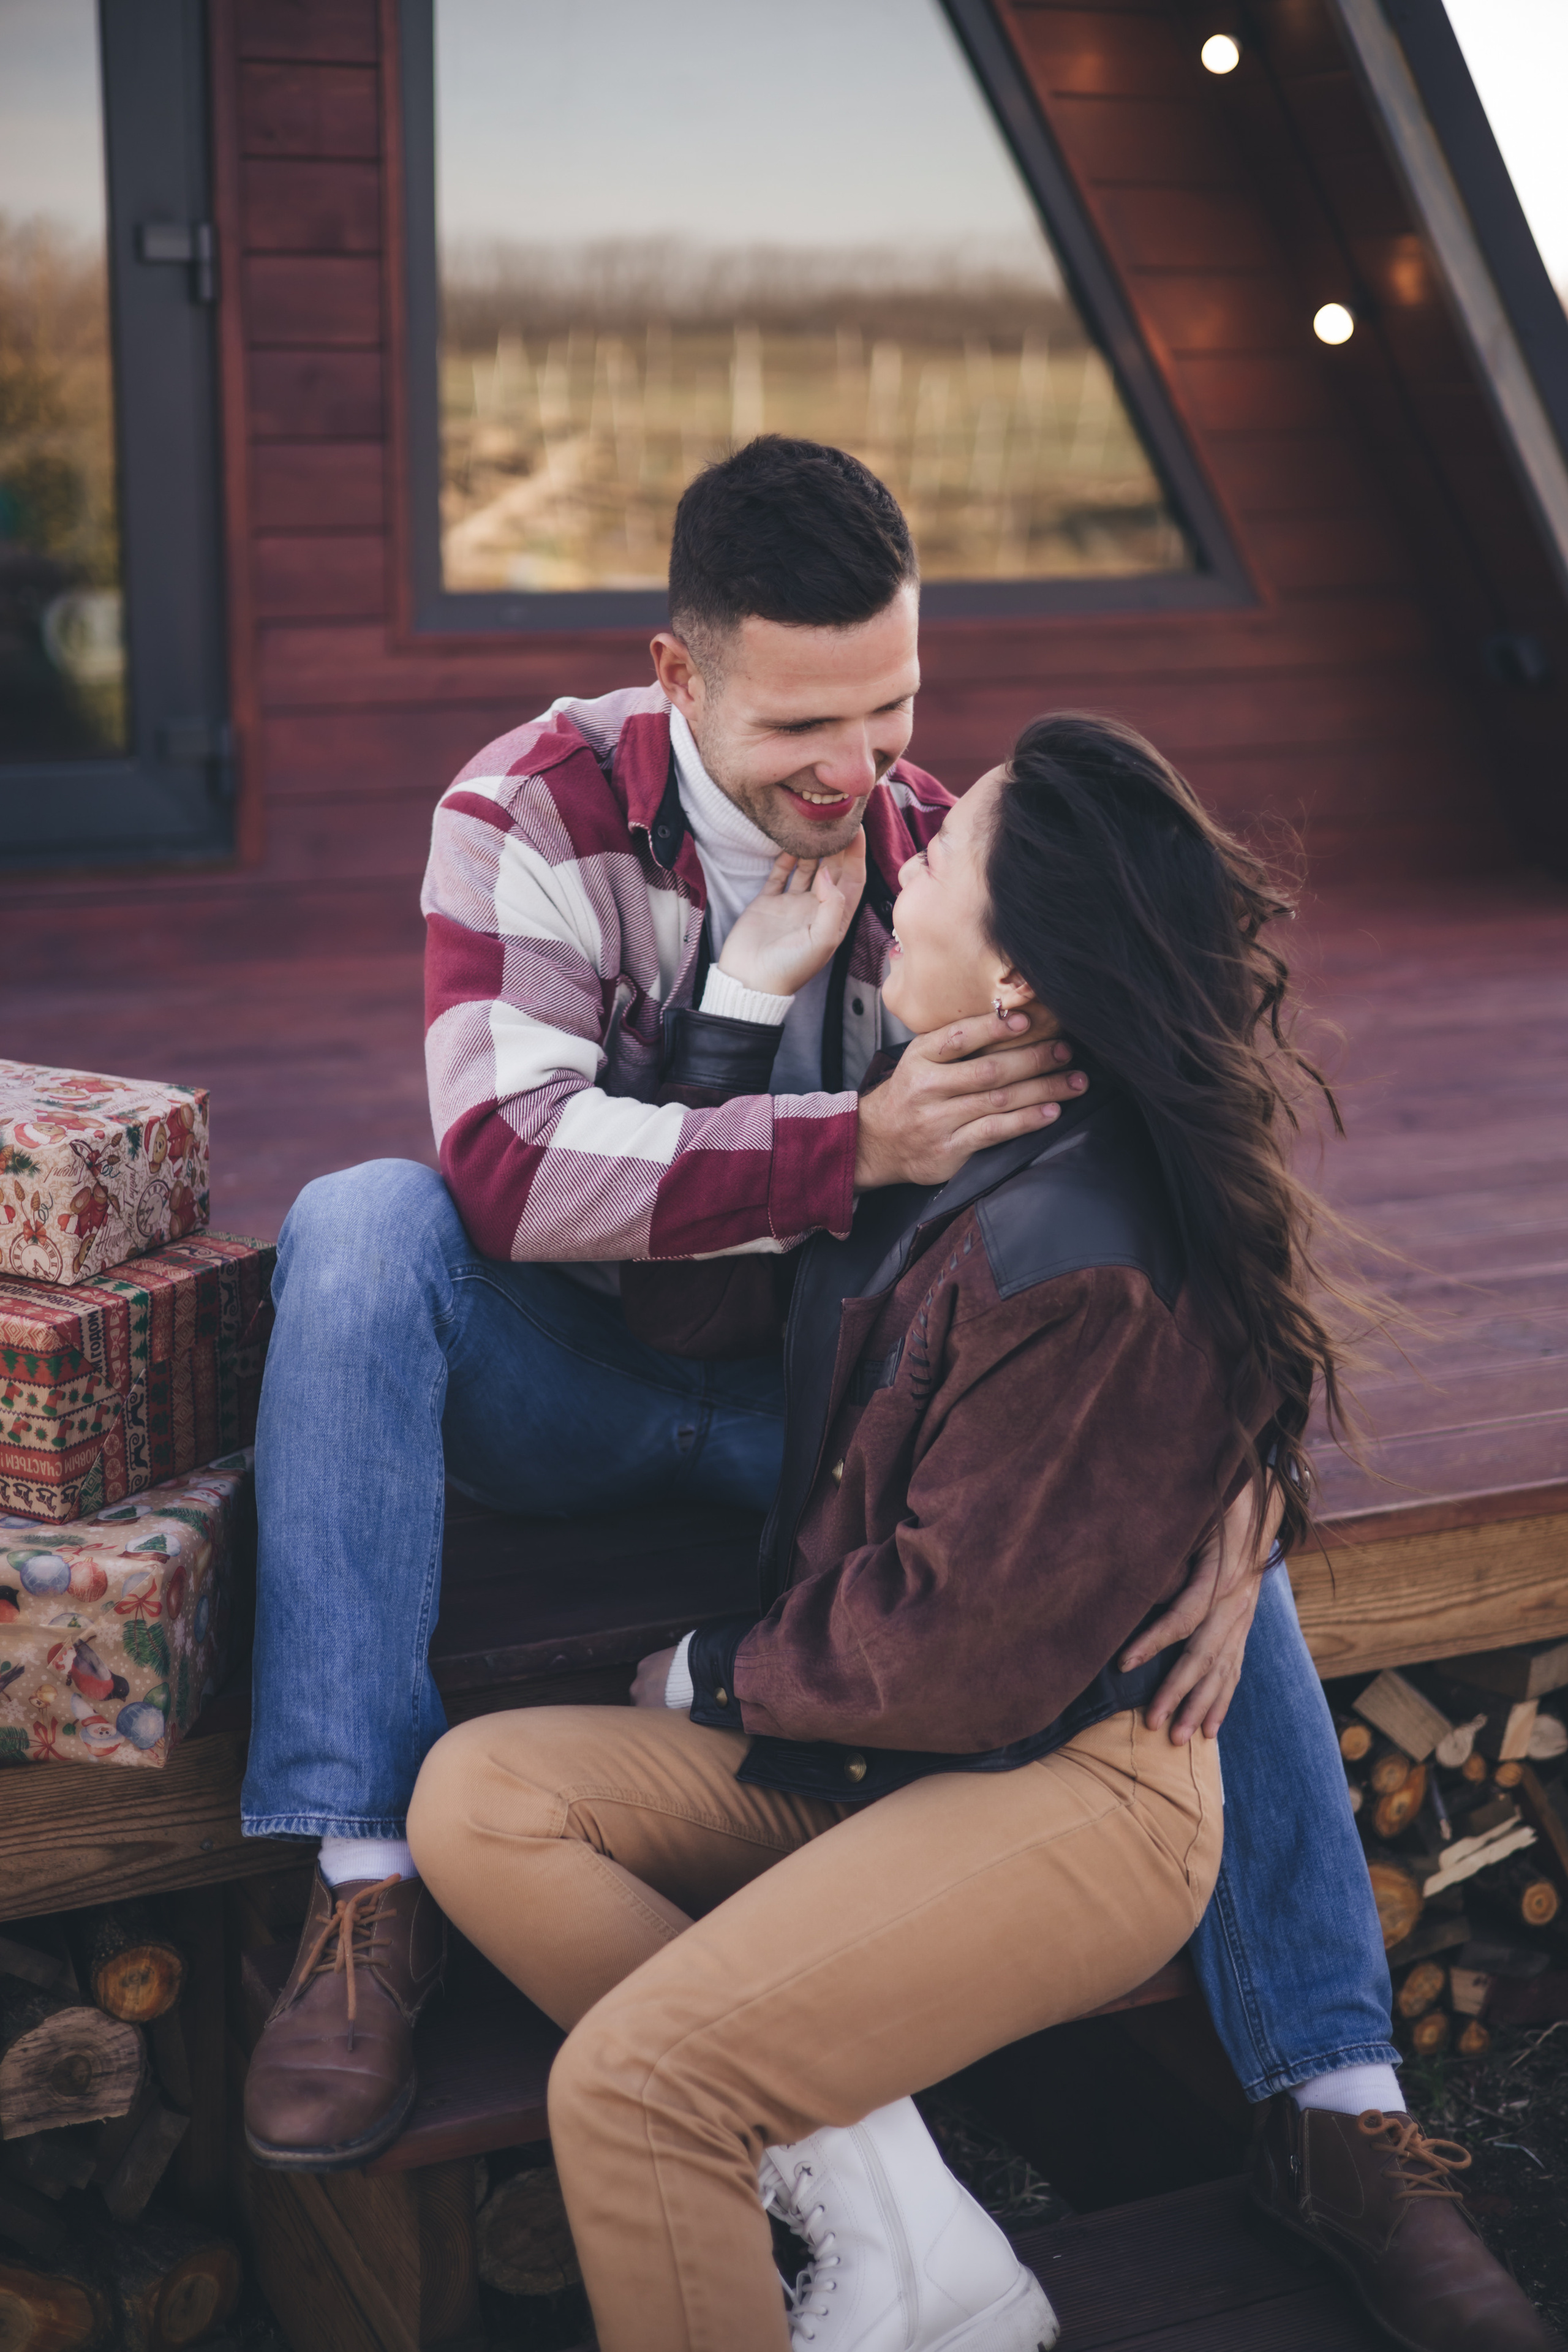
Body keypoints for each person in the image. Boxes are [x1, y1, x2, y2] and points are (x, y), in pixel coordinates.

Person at [239, 440, 1553, 2352]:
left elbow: (1184, 1150)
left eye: (895, 706)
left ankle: (1339, 2109)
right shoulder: (533, 808)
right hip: (582, 1380)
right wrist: (839, 1143)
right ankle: (362, 1891)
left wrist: (1253, 1462)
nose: (863, 772)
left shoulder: (942, 845)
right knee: (359, 1224)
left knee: (1185, 1520)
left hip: (827, 1416)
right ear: (679, 679)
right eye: (805, 721)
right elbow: (511, 1171)